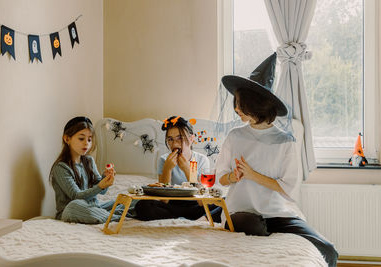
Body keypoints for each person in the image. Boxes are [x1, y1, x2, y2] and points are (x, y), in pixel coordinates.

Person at [216, 54, 338, 267]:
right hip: (240, 211)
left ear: (255, 105)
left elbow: (287, 188)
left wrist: (253, 175)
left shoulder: (285, 141)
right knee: (250, 225)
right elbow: (220, 179)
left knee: (328, 248)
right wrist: (233, 177)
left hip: (277, 213)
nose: (235, 108)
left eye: (240, 103)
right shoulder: (235, 136)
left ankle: (264, 228)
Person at [135, 116, 219, 221]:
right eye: (170, 139)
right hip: (172, 205)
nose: (174, 144)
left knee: (222, 204)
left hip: (196, 205)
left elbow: (202, 201)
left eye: (180, 138)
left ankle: (194, 218)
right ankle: (186, 219)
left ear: (191, 139)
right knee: (143, 206)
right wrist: (167, 169)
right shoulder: (164, 160)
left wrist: (188, 170)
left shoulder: (202, 160)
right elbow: (163, 201)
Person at [49, 116, 116, 224]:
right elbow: (76, 196)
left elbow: (102, 191)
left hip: (93, 206)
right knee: (74, 206)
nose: (87, 143)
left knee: (121, 201)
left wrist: (106, 179)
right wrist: (100, 186)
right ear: (67, 139)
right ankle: (117, 217)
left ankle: (119, 212)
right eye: (81, 138)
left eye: (89, 139)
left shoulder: (89, 161)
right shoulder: (61, 167)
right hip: (71, 210)